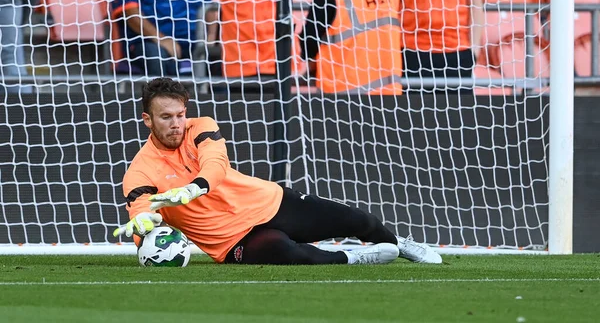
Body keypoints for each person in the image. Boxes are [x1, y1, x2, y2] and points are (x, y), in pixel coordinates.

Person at [113, 77, 442, 265]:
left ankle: (399, 243)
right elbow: (142, 217)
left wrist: (193, 188)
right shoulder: (140, 172)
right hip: (232, 240)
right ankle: (353, 258)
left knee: (361, 220)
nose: (176, 124)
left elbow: (216, 164)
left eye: (180, 114)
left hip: (269, 203)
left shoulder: (202, 126)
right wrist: (144, 227)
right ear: (148, 120)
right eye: (166, 117)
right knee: (287, 252)